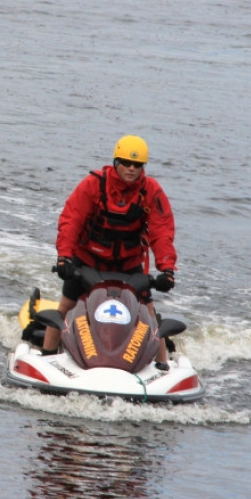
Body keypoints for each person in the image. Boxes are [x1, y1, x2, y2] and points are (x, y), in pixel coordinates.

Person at [44, 134, 177, 367]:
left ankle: (162, 367)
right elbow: (71, 220)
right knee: (65, 307)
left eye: (137, 165)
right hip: (87, 261)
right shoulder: (93, 184)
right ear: (116, 162)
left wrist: (167, 270)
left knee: (148, 315)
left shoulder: (151, 191)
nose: (131, 168)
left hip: (129, 265)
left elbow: (162, 230)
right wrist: (64, 258)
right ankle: (46, 357)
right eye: (126, 162)